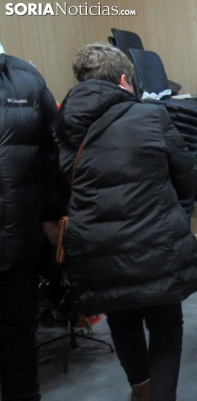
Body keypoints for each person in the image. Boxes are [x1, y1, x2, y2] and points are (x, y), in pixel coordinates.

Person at [55, 43, 197, 401]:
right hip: (156, 241)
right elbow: (184, 173)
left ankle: (141, 388)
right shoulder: (151, 116)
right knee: (166, 322)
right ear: (124, 80)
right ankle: (162, 396)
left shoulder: (62, 123)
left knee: (121, 319)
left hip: (96, 244)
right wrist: (177, 213)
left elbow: (59, 182)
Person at [0, 41, 62, 401]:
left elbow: (51, 154)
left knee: (18, 340)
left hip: (17, 241)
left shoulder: (26, 79)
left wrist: (52, 216)